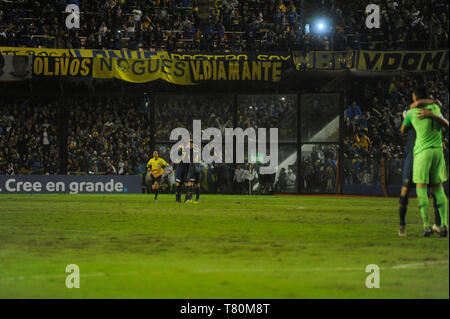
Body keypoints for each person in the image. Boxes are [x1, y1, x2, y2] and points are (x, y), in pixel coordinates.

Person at [401, 87, 449, 237]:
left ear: (415, 98)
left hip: (423, 152)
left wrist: (408, 124)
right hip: (438, 152)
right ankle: (444, 225)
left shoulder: (411, 113)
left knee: (421, 187)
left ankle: (427, 226)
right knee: (438, 188)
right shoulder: (435, 107)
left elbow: (402, 130)